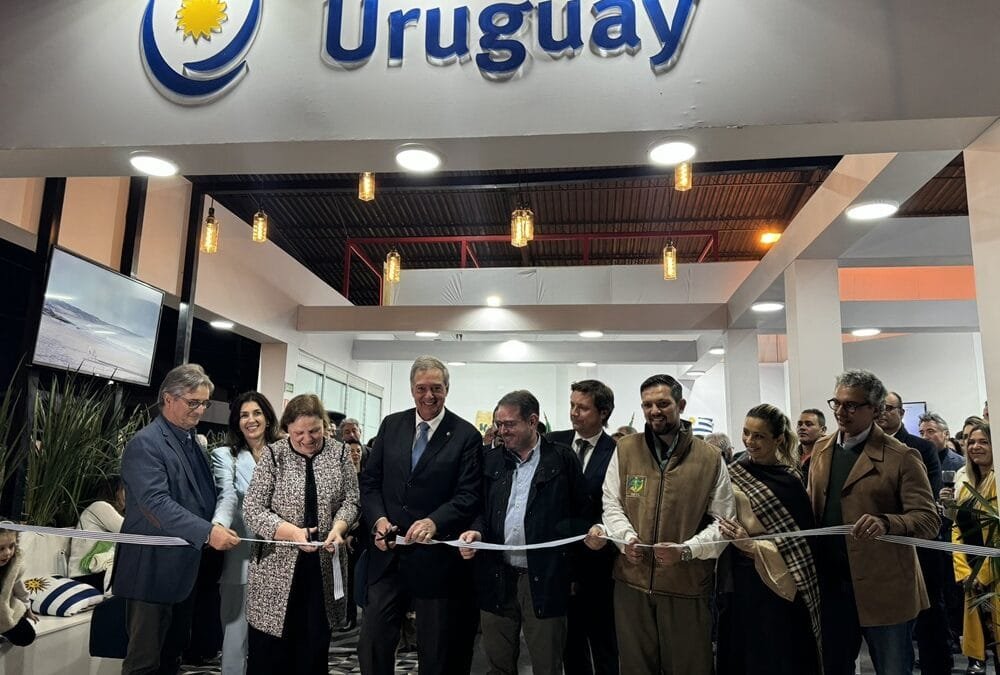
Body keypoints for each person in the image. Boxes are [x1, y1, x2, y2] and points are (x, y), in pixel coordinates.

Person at [584, 374, 735, 674]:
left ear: (680, 404)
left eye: (663, 403)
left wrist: (687, 550)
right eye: (647, 405)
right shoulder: (626, 449)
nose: (655, 411)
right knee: (636, 667)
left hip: (686, 587)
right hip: (632, 585)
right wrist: (625, 538)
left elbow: (724, 523)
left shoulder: (709, 458)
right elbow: (611, 503)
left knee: (690, 667)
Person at [808, 369, 940, 675]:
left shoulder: (901, 456)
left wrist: (887, 522)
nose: (842, 412)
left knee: (893, 667)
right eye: (837, 403)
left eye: (852, 405)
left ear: (876, 410)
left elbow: (928, 520)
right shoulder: (821, 450)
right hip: (832, 587)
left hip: (887, 589)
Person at [359, 356, 483, 675]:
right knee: (372, 643)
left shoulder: (465, 435)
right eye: (421, 388)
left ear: (447, 389)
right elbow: (370, 482)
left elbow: (468, 495)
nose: (429, 396)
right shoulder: (391, 425)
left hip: (436, 563)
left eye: (436, 388)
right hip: (388, 556)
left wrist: (434, 521)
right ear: (411, 389)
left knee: (436, 652)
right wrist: (378, 520)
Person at [114, 363, 241, 675]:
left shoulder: (190, 439)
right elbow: (156, 505)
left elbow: (202, 496)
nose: (199, 411)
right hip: (151, 572)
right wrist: (208, 532)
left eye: (204, 403)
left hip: (183, 571)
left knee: (172, 658)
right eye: (193, 403)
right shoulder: (146, 443)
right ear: (168, 399)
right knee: (144, 664)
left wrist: (222, 519)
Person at [459, 390, 589, 675]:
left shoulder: (562, 459)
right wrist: (476, 533)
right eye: (498, 424)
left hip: (544, 579)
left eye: (509, 424)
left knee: (547, 663)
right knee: (497, 662)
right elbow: (478, 509)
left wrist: (573, 573)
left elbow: (581, 516)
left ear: (532, 422)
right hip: (496, 576)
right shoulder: (490, 460)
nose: (501, 431)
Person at [242, 394, 359, 674]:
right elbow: (252, 509)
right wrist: (292, 533)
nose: (307, 438)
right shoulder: (273, 455)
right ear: (286, 430)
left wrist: (339, 528)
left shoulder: (340, 453)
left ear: (324, 425)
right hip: (275, 573)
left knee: (312, 651)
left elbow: (352, 500)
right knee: (269, 654)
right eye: (299, 433)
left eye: (315, 431)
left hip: (321, 571)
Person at [716, 404, 821, 675]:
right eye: (746, 433)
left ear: (778, 439)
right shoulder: (732, 473)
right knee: (744, 651)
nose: (750, 441)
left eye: (759, 436)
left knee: (777, 653)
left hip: (780, 585)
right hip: (740, 581)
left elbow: (803, 545)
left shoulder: (791, 480)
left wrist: (753, 545)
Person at [547, 379, 619, 675]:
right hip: (557, 559)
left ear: (603, 413)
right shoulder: (553, 443)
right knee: (569, 645)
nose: (575, 413)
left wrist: (603, 529)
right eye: (572, 406)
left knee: (604, 643)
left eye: (583, 408)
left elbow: (619, 504)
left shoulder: (618, 451)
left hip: (598, 562)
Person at [877, 391, 949, 675]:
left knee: (931, 615)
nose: (883, 413)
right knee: (894, 624)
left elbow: (926, 498)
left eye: (889, 408)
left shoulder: (920, 447)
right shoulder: (864, 448)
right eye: (878, 408)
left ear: (901, 413)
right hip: (883, 548)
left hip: (921, 543)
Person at [211, 391, 281, 675]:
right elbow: (227, 495)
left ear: (267, 417)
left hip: (279, 557)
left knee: (274, 640)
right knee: (234, 637)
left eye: (257, 413)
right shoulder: (225, 456)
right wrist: (218, 525)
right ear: (236, 422)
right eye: (243, 415)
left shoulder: (286, 451)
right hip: (239, 555)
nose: (251, 420)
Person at [941, 422, 995, 675]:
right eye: (971, 442)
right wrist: (965, 571)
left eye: (983, 441)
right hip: (971, 574)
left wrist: (982, 575)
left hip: (993, 573)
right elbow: (957, 526)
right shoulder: (964, 477)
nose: (975, 447)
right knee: (980, 644)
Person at [68, 474, 125, 590]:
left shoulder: (110, 512)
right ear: (116, 491)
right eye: (125, 490)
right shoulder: (100, 507)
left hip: (95, 574)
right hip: (84, 577)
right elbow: (130, 531)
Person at [0, 524, 37, 647]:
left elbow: (19, 588)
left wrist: (27, 608)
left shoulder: (14, 566)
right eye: (1, 549)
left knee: (26, 636)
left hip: (4, 612)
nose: (8, 553)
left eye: (12, 546)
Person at [796, 408, 827, 474]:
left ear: (823, 430)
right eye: (799, 424)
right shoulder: (791, 455)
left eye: (809, 424)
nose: (802, 428)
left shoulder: (828, 456)